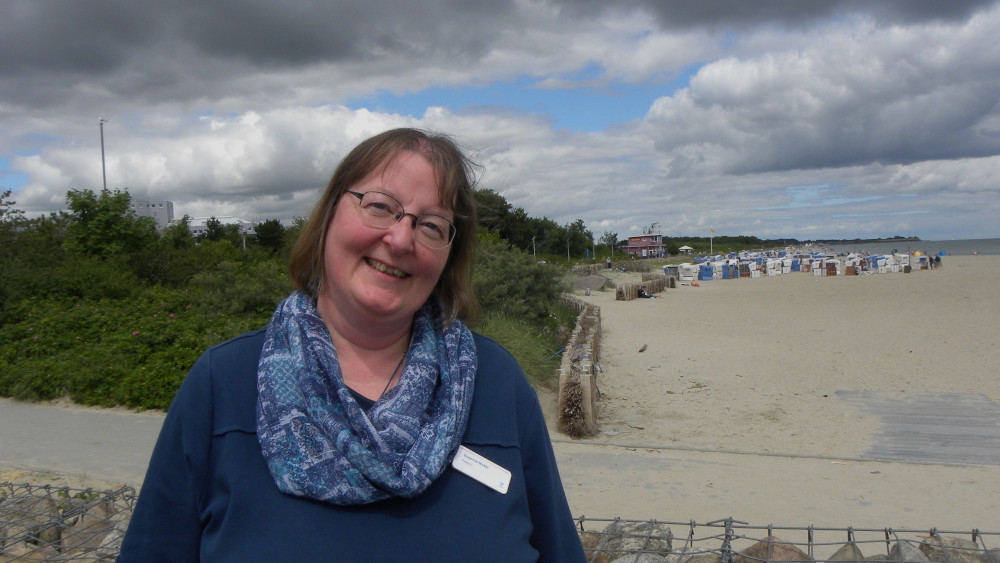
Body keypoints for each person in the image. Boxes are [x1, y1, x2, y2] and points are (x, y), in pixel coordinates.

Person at [118, 128, 586, 562]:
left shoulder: (497, 384)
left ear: (448, 256)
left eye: (431, 226)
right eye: (380, 206)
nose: (401, 238)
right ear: (328, 216)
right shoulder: (224, 383)